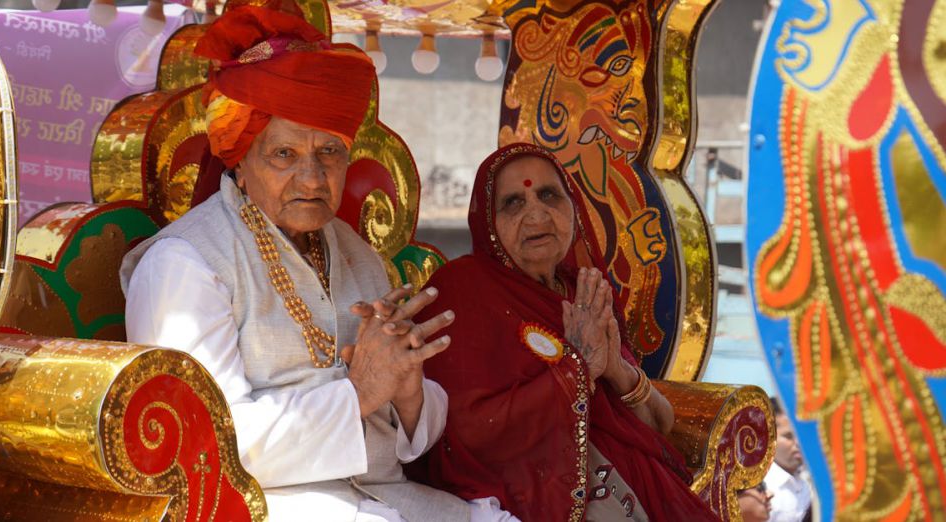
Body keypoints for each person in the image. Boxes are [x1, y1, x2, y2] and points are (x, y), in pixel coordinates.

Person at [120, 6, 514, 521]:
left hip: (383, 498)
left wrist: (409, 392)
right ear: (240, 157)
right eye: (285, 154)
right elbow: (201, 444)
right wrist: (359, 393)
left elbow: (402, 434)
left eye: (330, 152)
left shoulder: (355, 251)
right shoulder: (186, 264)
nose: (312, 178)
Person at [406, 143, 719, 521]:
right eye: (513, 203)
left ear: (574, 209)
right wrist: (577, 371)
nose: (536, 213)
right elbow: (468, 434)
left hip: (645, 493)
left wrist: (614, 371)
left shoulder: (583, 291)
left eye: (549, 195)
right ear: (488, 221)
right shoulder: (462, 292)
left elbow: (659, 424)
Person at [764, 400, 813, 522]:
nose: (798, 443)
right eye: (789, 436)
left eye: (802, 435)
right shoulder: (759, 489)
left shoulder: (813, 483)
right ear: (767, 438)